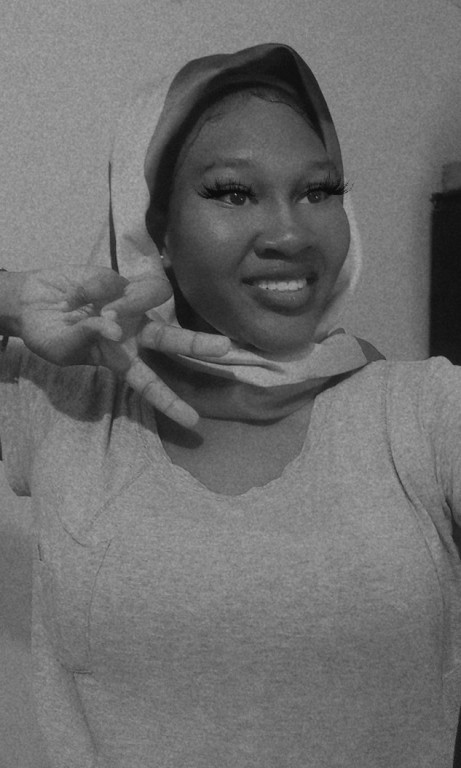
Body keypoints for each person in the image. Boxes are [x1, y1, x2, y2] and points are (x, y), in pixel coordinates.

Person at [0, 42, 459, 768]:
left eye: (319, 190)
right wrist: (12, 298)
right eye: (233, 193)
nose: (290, 233)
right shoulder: (67, 406)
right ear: (157, 228)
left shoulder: (422, 414)